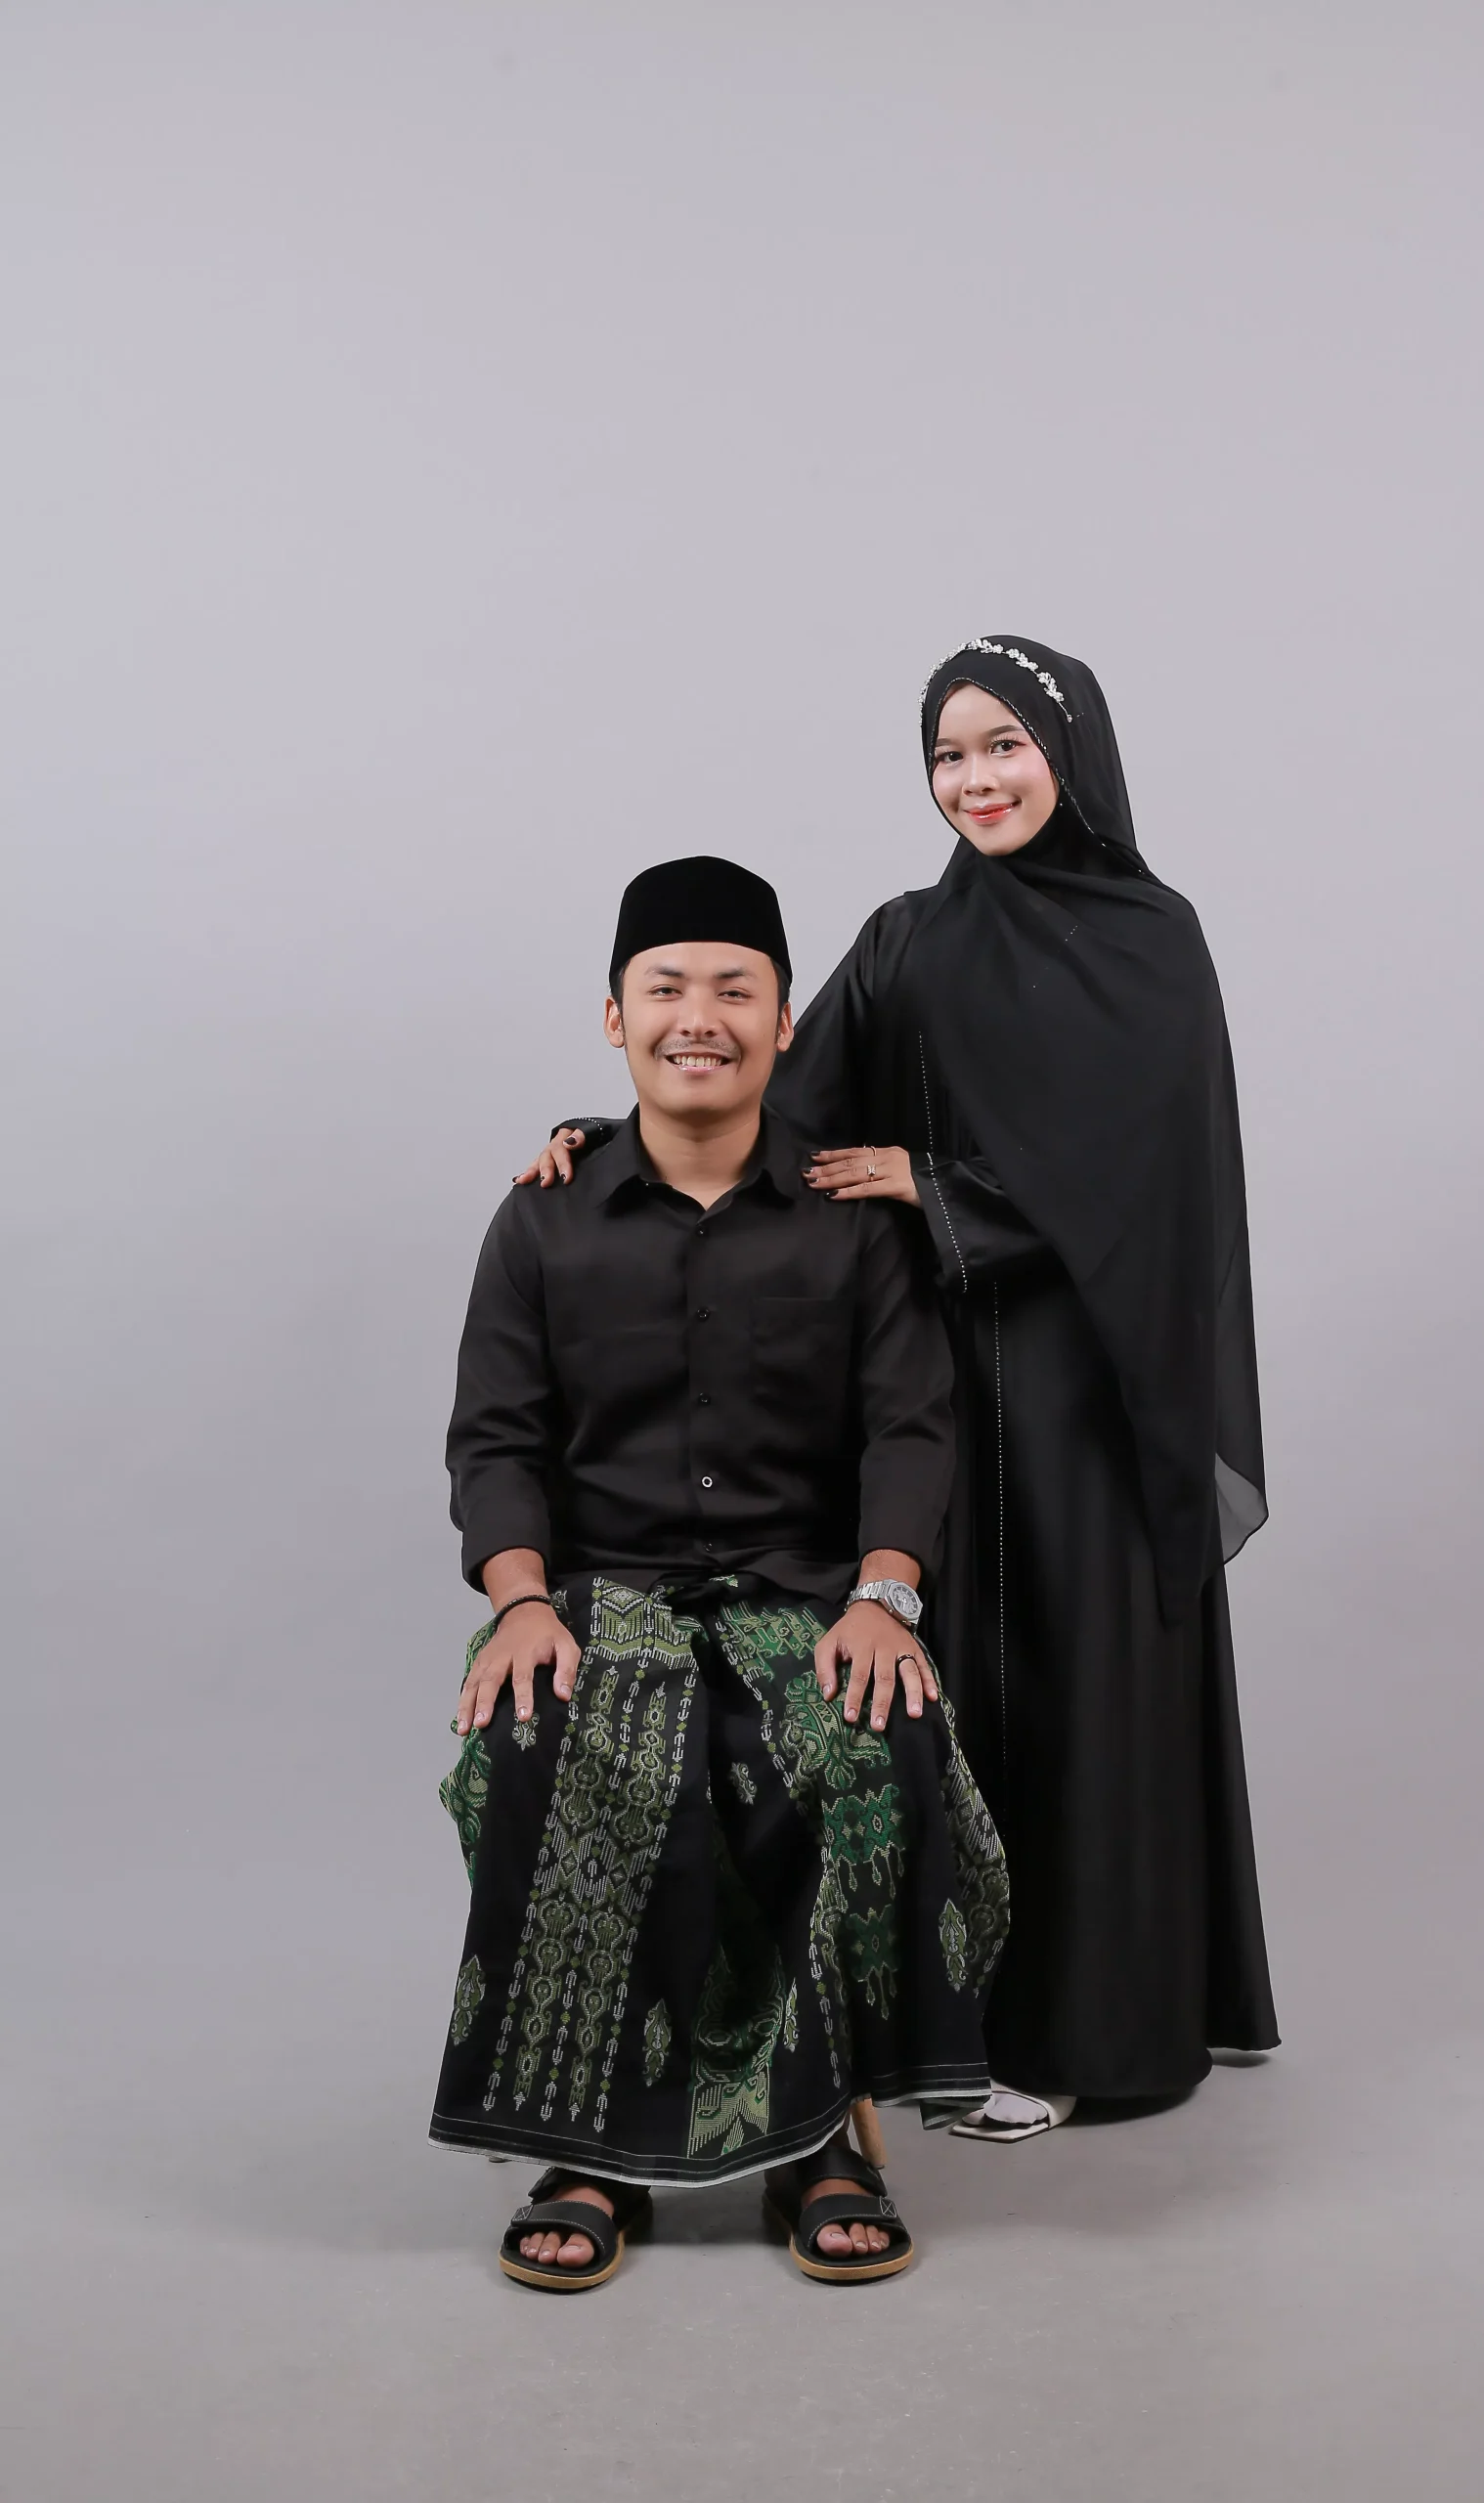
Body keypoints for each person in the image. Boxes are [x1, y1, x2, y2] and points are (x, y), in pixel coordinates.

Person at [528, 640, 1278, 2142]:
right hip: (935, 1382)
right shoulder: (906, 939)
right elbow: (783, 1105)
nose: (974, 779)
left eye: (1003, 745)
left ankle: (1096, 2034)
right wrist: (617, 1143)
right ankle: (949, 2034)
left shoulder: (1151, 940)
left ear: (1070, 751)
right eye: (948, 754)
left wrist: (937, 1186)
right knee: (941, 1688)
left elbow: (1149, 1184)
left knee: (1080, 1693)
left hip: (1089, 1393)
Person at [436, 854, 1008, 2290]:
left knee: (859, 1732)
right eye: (667, 989)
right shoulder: (543, 1215)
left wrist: (884, 1595)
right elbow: (495, 1438)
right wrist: (518, 1603)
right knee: (551, 1735)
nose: (701, 1017)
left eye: (735, 991)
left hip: (807, 1591)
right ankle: (591, 2148)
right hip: (598, 1593)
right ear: (614, 1019)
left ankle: (820, 2137)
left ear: (785, 1021)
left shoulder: (851, 1215)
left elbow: (910, 1425)